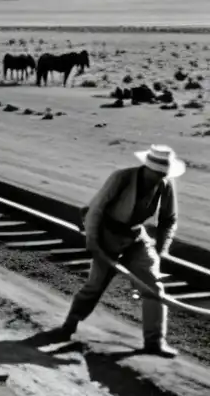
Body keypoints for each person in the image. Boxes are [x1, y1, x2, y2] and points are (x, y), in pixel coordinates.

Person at [58, 145, 184, 357]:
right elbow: (95, 209)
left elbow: (168, 220)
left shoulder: (164, 184)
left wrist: (160, 252)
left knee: (153, 287)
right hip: (108, 235)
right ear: (147, 168)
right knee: (95, 286)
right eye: (158, 172)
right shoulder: (122, 178)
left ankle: (154, 342)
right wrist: (94, 243)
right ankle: (69, 325)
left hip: (135, 238)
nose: (161, 176)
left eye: (164, 173)